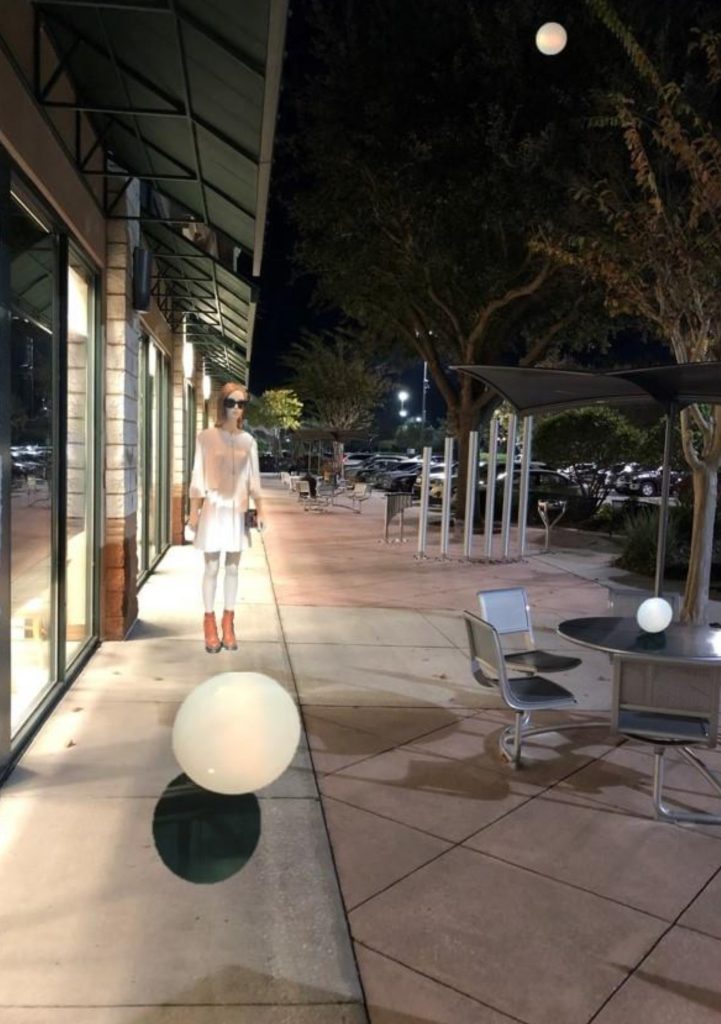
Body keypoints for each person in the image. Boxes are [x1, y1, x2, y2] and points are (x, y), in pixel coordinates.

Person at [187, 381, 266, 653]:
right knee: (211, 567)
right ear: (222, 405)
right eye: (231, 403)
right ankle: (209, 623)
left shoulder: (249, 441)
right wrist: (193, 512)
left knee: (233, 568)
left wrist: (261, 510)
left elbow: (254, 480)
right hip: (214, 506)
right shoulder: (206, 437)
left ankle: (229, 622)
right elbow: (198, 476)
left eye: (241, 404)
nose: (236, 409)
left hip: (238, 509)